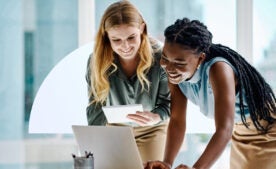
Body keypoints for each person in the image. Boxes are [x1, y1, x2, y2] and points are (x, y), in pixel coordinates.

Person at [145, 18, 276, 169]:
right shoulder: (174, 74)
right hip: (239, 131)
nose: (169, 67)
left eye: (179, 63)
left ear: (201, 58)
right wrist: (167, 162)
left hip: (267, 131)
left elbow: (223, 129)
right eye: (165, 58)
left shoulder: (218, 69)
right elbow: (177, 120)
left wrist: (196, 168)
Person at [85, 0, 170, 163]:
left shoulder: (161, 58)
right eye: (116, 40)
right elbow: (95, 106)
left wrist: (156, 116)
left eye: (132, 37)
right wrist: (94, 143)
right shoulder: (96, 62)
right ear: (106, 37)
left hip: (152, 129)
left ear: (142, 29)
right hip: (114, 129)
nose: (125, 46)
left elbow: (168, 103)